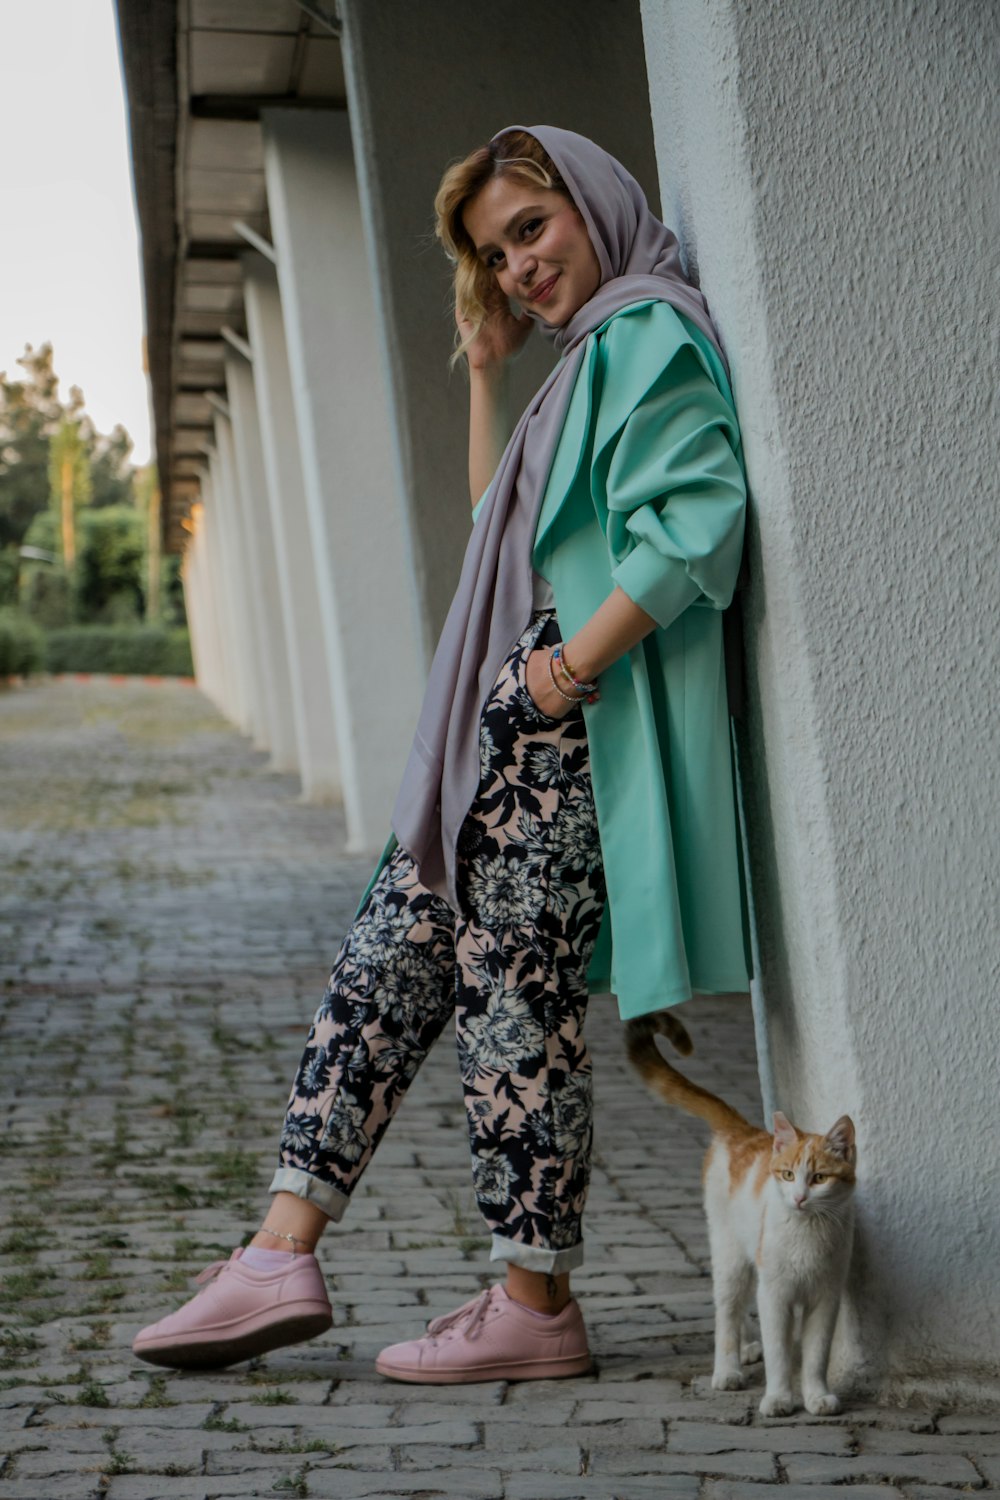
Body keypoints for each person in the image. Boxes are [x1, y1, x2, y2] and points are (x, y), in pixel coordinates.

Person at [132, 124, 750, 1384]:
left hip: (569, 738)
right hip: (511, 738)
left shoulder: (646, 332)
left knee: (512, 1006)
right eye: (494, 251)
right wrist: (483, 370)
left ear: (591, 200)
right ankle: (277, 1251)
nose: (518, 265)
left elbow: (700, 518)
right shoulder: (579, 362)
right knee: (387, 956)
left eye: (533, 227)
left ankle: (533, 1301)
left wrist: (564, 676)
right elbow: (498, 529)